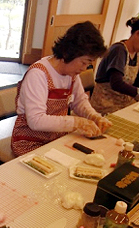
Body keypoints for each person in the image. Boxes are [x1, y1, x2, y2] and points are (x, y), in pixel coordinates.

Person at [11, 21, 112, 157]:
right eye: (83, 62)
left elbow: (79, 102)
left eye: (88, 63)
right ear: (68, 53)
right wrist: (77, 122)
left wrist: (93, 116)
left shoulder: (71, 74)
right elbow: (36, 121)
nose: (84, 68)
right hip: (29, 141)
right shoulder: (39, 74)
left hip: (56, 137)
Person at [90, 13, 139, 115]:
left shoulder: (138, 52)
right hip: (105, 106)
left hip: (123, 103)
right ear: (138, 34)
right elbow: (116, 83)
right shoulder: (119, 50)